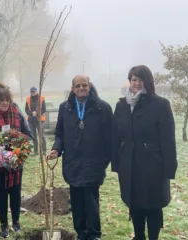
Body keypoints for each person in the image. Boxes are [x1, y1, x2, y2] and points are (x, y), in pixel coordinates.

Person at [47, 75, 116, 240]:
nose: (81, 88)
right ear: (72, 89)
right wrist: (56, 149)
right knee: (76, 201)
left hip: (93, 162)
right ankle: (81, 233)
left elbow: (110, 137)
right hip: (72, 162)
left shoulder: (102, 108)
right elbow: (60, 134)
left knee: (91, 200)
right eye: (77, 86)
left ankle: (94, 234)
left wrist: (104, 161)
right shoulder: (66, 108)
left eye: (84, 85)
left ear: (89, 86)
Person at [113, 65, 177, 240]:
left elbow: (168, 140)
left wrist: (169, 168)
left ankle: (153, 237)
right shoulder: (122, 105)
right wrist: (117, 162)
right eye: (134, 79)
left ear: (147, 82)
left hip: (152, 164)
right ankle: (139, 236)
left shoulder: (160, 105)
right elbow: (116, 136)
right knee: (135, 204)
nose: (137, 83)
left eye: (140, 80)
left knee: (153, 205)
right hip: (129, 163)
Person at [0, 83, 32, 239]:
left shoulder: (17, 112)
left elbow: (28, 134)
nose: (4, 103)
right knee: (1, 193)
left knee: (15, 192)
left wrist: (20, 146)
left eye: (7, 99)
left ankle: (16, 222)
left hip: (16, 161)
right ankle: (4, 225)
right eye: (1, 100)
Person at [24, 87, 46, 155]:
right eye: (31, 92)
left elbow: (44, 109)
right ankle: (35, 152)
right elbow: (26, 109)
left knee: (41, 136)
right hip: (31, 120)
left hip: (40, 120)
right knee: (34, 137)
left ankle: (44, 151)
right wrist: (31, 113)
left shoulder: (41, 98)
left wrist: (37, 113)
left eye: (34, 91)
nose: (32, 93)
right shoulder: (28, 99)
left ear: (36, 91)